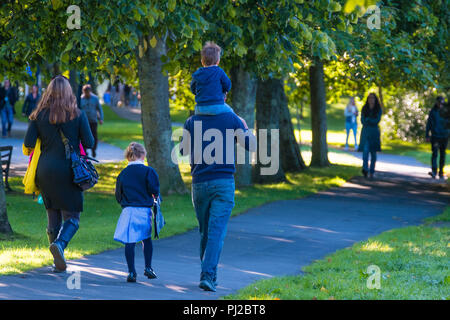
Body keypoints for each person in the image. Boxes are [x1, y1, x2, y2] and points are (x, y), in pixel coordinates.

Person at [180, 100, 256, 292]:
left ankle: (209, 274)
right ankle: (208, 275)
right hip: (223, 182)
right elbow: (252, 146)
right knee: (216, 232)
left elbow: (182, 150)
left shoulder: (191, 121)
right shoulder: (232, 118)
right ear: (223, 94)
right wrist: (244, 126)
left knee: (206, 231)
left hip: (199, 182)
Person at [24, 75, 94, 272]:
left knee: (52, 215)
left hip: (44, 170)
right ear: (69, 92)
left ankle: (57, 261)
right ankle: (60, 245)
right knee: (72, 217)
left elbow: (29, 144)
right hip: (70, 171)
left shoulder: (38, 115)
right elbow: (88, 143)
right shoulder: (77, 114)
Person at [114, 142, 160, 282]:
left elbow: (118, 195)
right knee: (146, 238)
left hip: (128, 211)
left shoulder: (123, 174)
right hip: (144, 210)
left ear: (128, 157)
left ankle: (132, 271)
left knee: (130, 241)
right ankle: (148, 267)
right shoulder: (148, 171)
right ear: (143, 155)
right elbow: (154, 190)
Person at [190, 42, 233, 115]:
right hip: (217, 106)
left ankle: (197, 126)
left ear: (202, 62)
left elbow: (193, 89)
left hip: (200, 108)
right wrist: (224, 91)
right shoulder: (219, 71)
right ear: (218, 61)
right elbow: (228, 85)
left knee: (197, 120)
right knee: (232, 113)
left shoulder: (197, 74)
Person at [358, 93, 382, 179]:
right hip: (365, 133)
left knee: (373, 153)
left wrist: (368, 120)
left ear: (375, 100)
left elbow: (376, 120)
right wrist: (368, 120)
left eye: (373, 98)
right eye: (370, 98)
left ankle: (372, 171)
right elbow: (363, 120)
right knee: (365, 151)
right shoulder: (364, 109)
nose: (371, 100)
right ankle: (365, 169)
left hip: (374, 133)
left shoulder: (378, 109)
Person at [426, 96, 449, 179]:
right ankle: (434, 171)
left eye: (441, 103)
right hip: (435, 136)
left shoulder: (447, 112)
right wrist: (427, 135)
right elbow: (428, 123)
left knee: (443, 154)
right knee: (434, 153)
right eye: (439, 102)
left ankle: (441, 172)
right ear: (436, 102)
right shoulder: (433, 111)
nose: (440, 104)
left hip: (444, 136)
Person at [80, 84, 103, 158]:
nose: (87, 93)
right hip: (84, 121)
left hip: (93, 121)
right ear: (83, 92)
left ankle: (93, 150)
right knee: (83, 136)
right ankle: (85, 151)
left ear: (90, 91)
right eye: (85, 92)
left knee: (94, 136)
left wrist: (101, 118)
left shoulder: (95, 98)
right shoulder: (81, 99)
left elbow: (99, 109)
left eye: (88, 92)